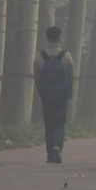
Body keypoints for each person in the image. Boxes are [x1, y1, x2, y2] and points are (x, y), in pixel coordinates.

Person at [34, 26, 76, 164]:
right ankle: (57, 146)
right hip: (61, 95)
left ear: (47, 37)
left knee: (49, 123)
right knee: (60, 122)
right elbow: (71, 76)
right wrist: (69, 92)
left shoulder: (40, 56)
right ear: (59, 37)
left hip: (46, 95)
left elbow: (37, 77)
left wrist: (41, 92)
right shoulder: (66, 56)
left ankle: (50, 151)